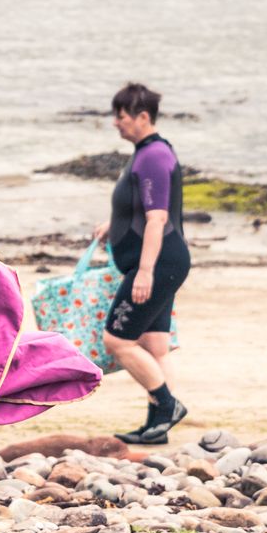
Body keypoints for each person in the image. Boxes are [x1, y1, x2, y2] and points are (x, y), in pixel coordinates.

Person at [95, 82, 192, 445]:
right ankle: (157, 426)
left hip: (158, 263)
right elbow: (139, 207)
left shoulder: (152, 156)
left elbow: (157, 218)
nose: (116, 124)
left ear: (142, 117)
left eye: (120, 117)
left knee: (117, 340)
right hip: (163, 261)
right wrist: (113, 226)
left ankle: (167, 406)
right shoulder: (148, 152)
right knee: (154, 346)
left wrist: (146, 272)